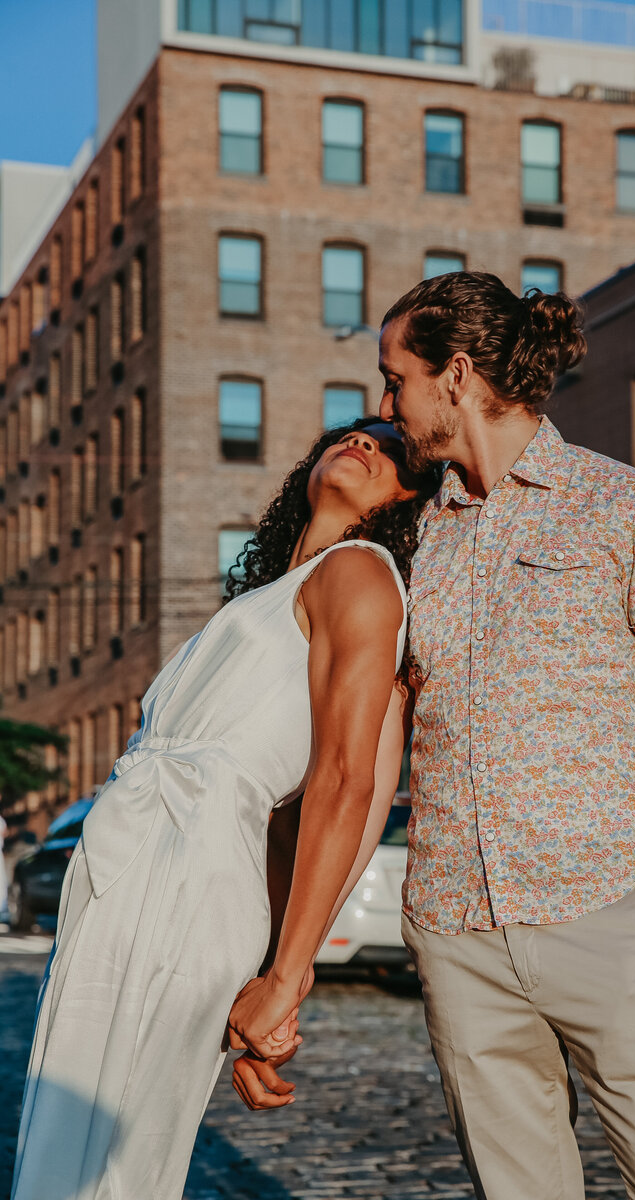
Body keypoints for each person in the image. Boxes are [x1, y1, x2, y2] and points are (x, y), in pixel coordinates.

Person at [378, 271, 635, 1200]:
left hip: (605, 918)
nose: (386, 403)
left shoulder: (626, 507)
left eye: (396, 380)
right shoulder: (415, 540)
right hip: (458, 938)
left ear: (455, 375)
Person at [12, 418, 441, 1200]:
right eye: (351, 435)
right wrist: (270, 977)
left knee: (117, 1149)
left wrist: (286, 976)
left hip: (191, 868)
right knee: (70, 1137)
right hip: (133, 860)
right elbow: (289, 824)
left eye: (391, 449)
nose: (366, 444)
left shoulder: (364, 572)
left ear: (409, 500)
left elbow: (355, 785)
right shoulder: (281, 590)